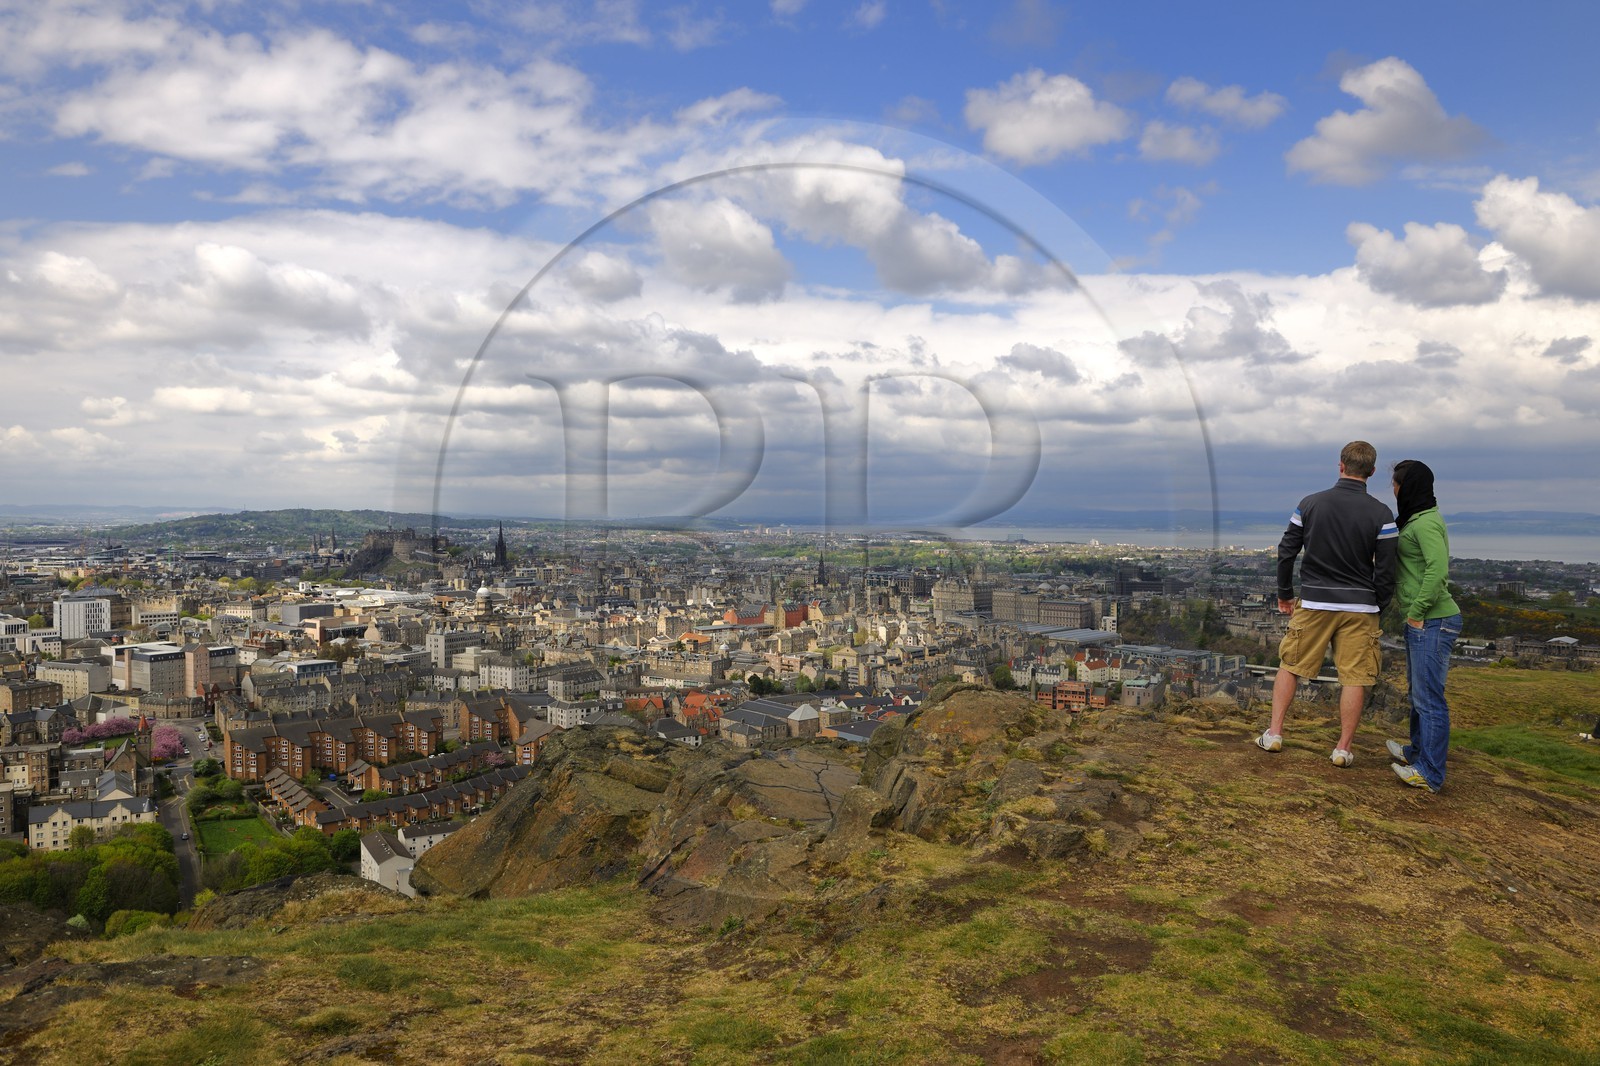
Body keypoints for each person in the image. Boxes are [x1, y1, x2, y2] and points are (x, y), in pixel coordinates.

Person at [1256, 441, 1397, 765]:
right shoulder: (1381, 513)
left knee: (1291, 665)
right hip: (1361, 606)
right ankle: (1343, 749)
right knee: (1354, 676)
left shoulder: (1309, 504)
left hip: (1317, 601)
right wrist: (1379, 603)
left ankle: (1275, 733)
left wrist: (1284, 594)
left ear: (1340, 465)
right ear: (1372, 472)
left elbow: (1286, 551)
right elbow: (1387, 567)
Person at [1386, 460, 1462, 792]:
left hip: (1433, 620)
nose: (1393, 488)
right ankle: (1416, 752)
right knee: (1419, 693)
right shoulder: (1415, 519)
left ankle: (1430, 773)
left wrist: (1416, 611)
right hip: (1424, 621)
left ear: (1410, 485)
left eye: (1396, 483)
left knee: (1430, 698)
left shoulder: (1426, 523)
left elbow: (1437, 570)